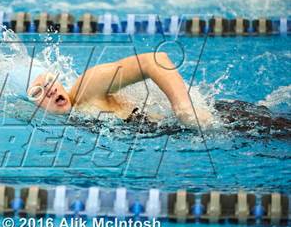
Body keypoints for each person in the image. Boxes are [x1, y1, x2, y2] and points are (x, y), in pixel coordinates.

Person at [26, 51, 291, 138]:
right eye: (37, 92)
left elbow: (155, 59)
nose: (49, 89)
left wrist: (184, 109)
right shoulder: (71, 119)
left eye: (49, 80)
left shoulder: (87, 87)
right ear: (33, 107)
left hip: (221, 117)